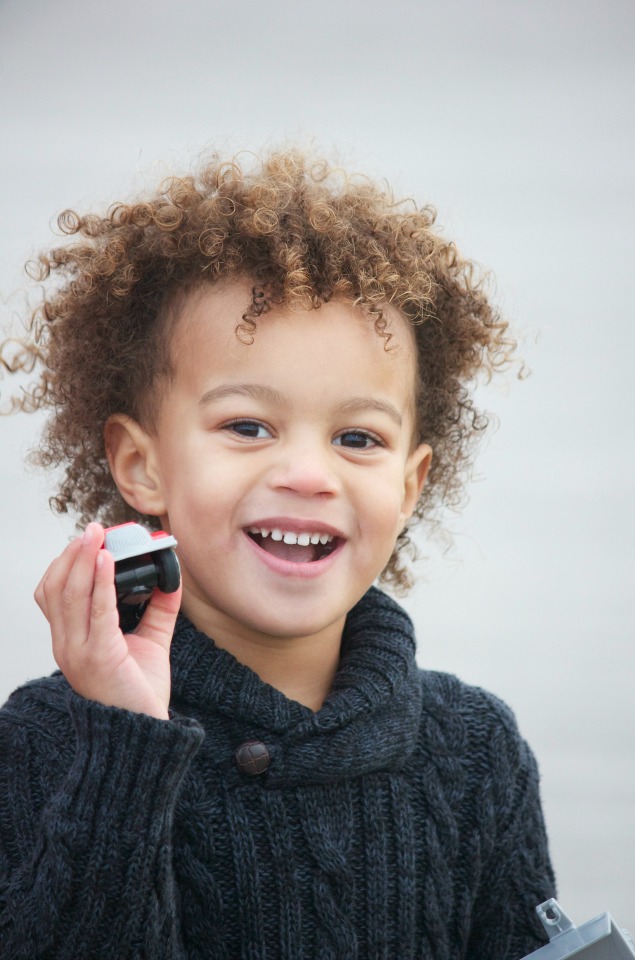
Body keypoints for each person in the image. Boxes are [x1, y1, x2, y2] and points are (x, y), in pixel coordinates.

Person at [0, 148, 555, 959]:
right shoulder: (52, 740)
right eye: (248, 426)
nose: (306, 473)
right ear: (141, 465)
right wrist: (124, 738)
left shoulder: (475, 753)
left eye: (357, 437)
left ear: (409, 485)